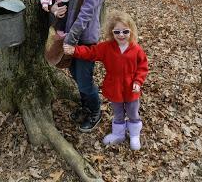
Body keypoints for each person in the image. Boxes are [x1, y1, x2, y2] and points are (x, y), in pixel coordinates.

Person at [51, 0, 112, 133]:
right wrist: (53, 6)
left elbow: (88, 10)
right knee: (75, 76)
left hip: (84, 37)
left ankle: (95, 111)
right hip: (69, 34)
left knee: (84, 79)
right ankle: (86, 106)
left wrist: (71, 38)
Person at [63, 10, 148, 150]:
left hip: (131, 88)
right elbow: (91, 53)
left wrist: (138, 82)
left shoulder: (136, 49)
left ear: (131, 31)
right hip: (114, 87)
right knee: (118, 112)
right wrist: (74, 50)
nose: (121, 35)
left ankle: (134, 134)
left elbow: (143, 67)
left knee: (133, 111)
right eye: (117, 32)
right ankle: (118, 134)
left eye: (125, 31)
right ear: (111, 32)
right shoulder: (106, 47)